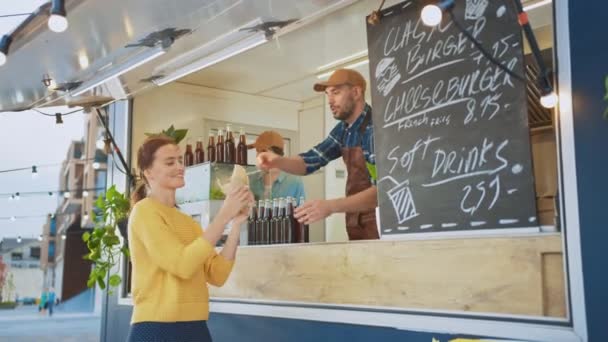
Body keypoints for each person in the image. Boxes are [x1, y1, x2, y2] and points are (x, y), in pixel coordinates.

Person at [126, 135, 253, 342]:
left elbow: (217, 274)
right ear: (148, 172)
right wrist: (223, 216)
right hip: (156, 327)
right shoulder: (144, 212)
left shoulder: (187, 221)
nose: (179, 167)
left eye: (180, 160)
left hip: (195, 327)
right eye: (170, 162)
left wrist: (236, 223)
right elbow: (182, 264)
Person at [257, 69, 378, 240]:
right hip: (356, 220)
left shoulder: (374, 130)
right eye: (328, 94)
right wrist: (277, 161)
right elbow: (311, 160)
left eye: (335, 93)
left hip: (381, 224)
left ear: (356, 92)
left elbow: (381, 192)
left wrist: (330, 206)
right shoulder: (344, 130)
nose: (330, 101)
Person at [247, 131, 306, 201]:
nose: (257, 156)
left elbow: (301, 210)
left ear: (276, 153)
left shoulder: (294, 181)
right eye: (257, 151)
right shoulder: (250, 179)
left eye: (262, 151)